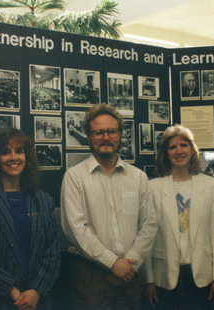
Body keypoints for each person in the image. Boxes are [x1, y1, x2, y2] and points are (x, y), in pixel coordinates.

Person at [60, 103, 157, 310]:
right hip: (89, 275)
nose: (106, 137)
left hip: (131, 272)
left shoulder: (138, 177)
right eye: (98, 132)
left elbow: (149, 225)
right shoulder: (74, 177)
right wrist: (112, 263)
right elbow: (76, 230)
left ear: (121, 135)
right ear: (88, 137)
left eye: (111, 131)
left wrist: (129, 263)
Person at [142, 125, 214, 309]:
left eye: (184, 145)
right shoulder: (153, 188)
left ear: (192, 149)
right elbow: (146, 239)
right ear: (165, 153)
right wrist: (148, 281)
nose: (179, 151)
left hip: (203, 276)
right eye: (172, 147)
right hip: (164, 277)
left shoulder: (210, 186)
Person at [0, 128, 61, 310]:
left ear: (27, 156)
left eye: (19, 151)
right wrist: (11, 290)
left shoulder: (43, 200)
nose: (13, 157)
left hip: (38, 301)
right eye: (5, 152)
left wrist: (36, 291)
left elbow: (52, 252)